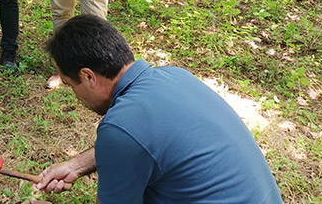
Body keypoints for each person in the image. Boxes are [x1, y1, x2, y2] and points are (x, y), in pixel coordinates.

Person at [35, 15, 283, 203]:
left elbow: (129, 139)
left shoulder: (121, 127)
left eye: (70, 85)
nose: (75, 96)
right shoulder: (175, 76)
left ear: (88, 76)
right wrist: (76, 166)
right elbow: (146, 143)